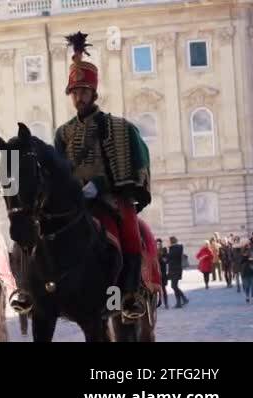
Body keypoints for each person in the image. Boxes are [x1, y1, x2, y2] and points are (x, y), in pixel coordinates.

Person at [53, 32, 152, 319]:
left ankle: (128, 295)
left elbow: (136, 162)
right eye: (74, 92)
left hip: (110, 198)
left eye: (83, 91)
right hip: (75, 202)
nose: (79, 97)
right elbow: (58, 170)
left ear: (94, 93)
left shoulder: (118, 127)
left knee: (131, 234)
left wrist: (100, 185)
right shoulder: (63, 133)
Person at [167, 236, 189, 308]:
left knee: (174, 286)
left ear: (171, 241)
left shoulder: (175, 248)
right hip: (175, 269)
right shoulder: (178, 248)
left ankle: (180, 302)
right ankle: (183, 299)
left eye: (169, 241)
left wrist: (168, 250)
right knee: (174, 286)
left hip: (175, 269)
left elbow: (170, 258)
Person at [156, 239, 169, 309]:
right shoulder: (154, 251)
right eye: (157, 244)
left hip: (163, 273)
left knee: (163, 289)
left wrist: (161, 257)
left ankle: (166, 303)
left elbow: (166, 261)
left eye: (159, 244)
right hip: (155, 273)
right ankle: (159, 302)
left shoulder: (164, 251)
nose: (158, 245)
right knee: (156, 289)